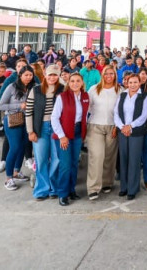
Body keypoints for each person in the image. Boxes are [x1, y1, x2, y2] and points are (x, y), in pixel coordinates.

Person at [52, 72, 90, 206]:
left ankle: (71, 190)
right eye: (72, 81)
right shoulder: (62, 97)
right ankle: (62, 193)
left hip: (78, 133)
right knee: (65, 165)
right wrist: (62, 136)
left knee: (74, 164)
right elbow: (54, 118)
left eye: (78, 81)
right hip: (64, 134)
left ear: (82, 83)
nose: (75, 83)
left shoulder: (85, 96)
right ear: (68, 83)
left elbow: (86, 115)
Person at [26, 64, 61, 200]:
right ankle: (41, 189)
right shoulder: (36, 90)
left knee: (56, 159)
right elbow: (28, 111)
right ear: (45, 75)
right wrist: (30, 131)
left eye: (55, 74)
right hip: (40, 128)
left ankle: (54, 188)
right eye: (50, 74)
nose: (52, 77)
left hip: (57, 128)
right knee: (41, 160)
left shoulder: (62, 90)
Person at [86, 65, 120, 200]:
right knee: (97, 156)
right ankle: (93, 187)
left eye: (111, 74)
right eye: (106, 74)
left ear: (115, 75)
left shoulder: (120, 90)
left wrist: (117, 126)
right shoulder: (94, 89)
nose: (109, 76)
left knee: (109, 156)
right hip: (95, 126)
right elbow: (87, 108)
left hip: (112, 127)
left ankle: (107, 182)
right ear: (102, 75)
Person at [114, 74, 147, 200]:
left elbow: (144, 116)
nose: (133, 85)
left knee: (134, 161)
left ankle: (132, 189)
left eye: (135, 82)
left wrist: (130, 126)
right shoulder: (122, 95)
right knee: (123, 159)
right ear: (126, 83)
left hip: (136, 132)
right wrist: (122, 126)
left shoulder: (143, 97)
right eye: (130, 82)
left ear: (140, 83)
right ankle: (124, 187)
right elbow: (116, 113)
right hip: (122, 131)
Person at [0, 67, 33, 190]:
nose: (29, 77)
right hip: (13, 119)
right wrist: (19, 105)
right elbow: (1, 105)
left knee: (23, 145)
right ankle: (8, 178)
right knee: (14, 147)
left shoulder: (32, 88)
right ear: (20, 75)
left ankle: (16, 172)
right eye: (26, 75)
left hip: (27, 120)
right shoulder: (12, 87)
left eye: (31, 75)